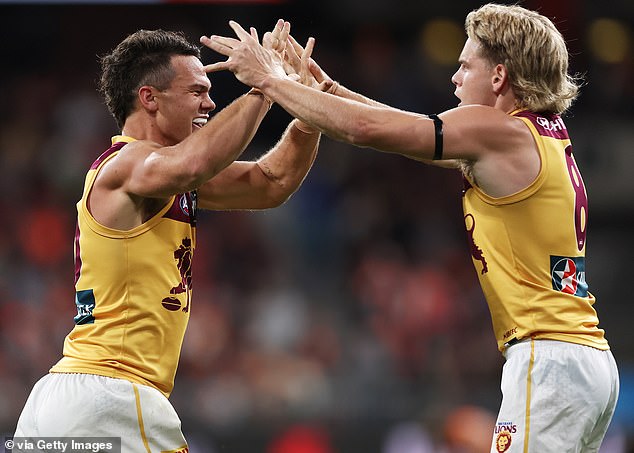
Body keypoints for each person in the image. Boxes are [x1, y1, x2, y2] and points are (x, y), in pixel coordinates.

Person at [201, 4, 620, 452]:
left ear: (499, 77)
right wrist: (324, 88)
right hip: (587, 360)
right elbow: (401, 129)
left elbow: (365, 129)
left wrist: (269, 80)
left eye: (464, 66)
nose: (455, 79)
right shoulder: (538, 135)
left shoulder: (494, 130)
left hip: (548, 359)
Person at [13, 22, 326, 452]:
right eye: (197, 91)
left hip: (74, 397)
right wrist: (266, 85)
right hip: (114, 394)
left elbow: (271, 181)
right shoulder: (126, 165)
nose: (211, 101)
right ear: (150, 99)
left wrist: (310, 112)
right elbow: (194, 163)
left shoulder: (165, 173)